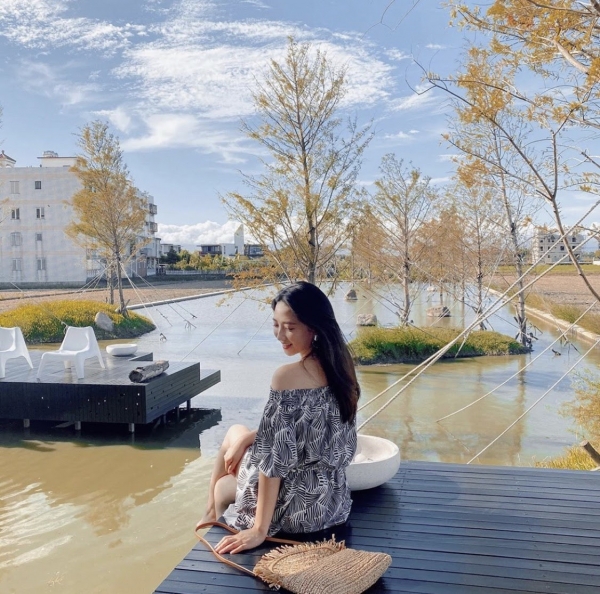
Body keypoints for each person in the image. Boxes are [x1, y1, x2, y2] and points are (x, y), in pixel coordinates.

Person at [199, 281, 359, 554]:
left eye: (290, 327)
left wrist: (259, 530)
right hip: (331, 503)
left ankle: (210, 513)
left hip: (293, 511)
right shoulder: (343, 366)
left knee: (231, 448)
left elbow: (275, 463)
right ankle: (212, 510)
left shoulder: (286, 376)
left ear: (314, 327)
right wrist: (249, 439)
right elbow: (306, 429)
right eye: (276, 324)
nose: (280, 335)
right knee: (239, 437)